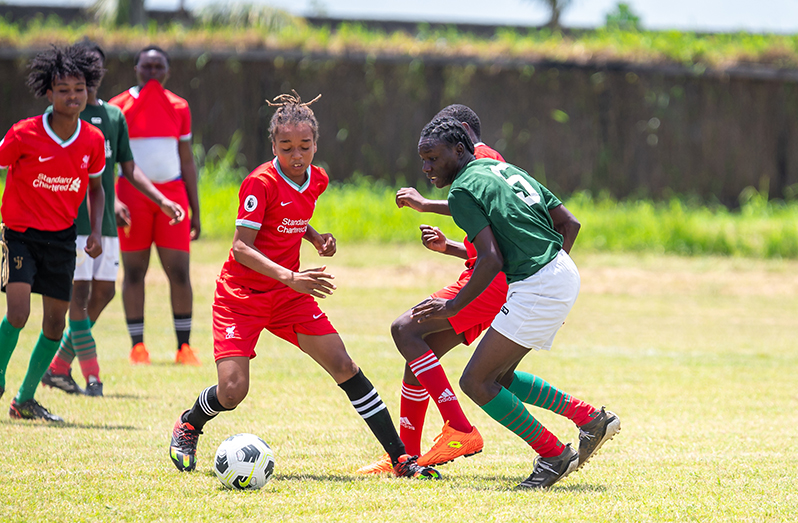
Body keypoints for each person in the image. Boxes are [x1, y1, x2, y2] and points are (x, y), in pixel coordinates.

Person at [167, 91, 440, 480]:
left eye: (304, 146)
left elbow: (290, 216)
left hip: (289, 297)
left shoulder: (318, 179)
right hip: (242, 297)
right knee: (232, 391)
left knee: (344, 365)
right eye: (286, 146)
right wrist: (291, 276)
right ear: (273, 145)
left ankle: (401, 460)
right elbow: (241, 248)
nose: (297, 155)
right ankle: (190, 423)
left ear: (316, 143)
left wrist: (314, 237)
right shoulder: (258, 183)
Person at [410, 115, 620, 489]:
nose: (427, 168)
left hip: (539, 285)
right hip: (558, 273)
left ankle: (554, 454)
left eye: (434, 158)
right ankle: (589, 419)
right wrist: (553, 280)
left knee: (475, 381)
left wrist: (452, 306)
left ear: (459, 151)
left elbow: (491, 260)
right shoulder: (498, 168)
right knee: (500, 376)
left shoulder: (462, 191)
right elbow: (568, 223)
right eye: (423, 159)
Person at [358, 104, 509, 474]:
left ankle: (460, 427)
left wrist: (425, 205)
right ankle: (406, 458)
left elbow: (493, 252)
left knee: (405, 329)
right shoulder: (484, 162)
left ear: (460, 139)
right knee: (418, 360)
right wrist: (451, 247)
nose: (428, 166)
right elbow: (489, 238)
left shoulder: (481, 160)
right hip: (485, 275)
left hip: (487, 282)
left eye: (433, 155)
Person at [41, 40, 185, 398]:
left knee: (103, 292)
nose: (87, 74)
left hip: (103, 223)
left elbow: (127, 169)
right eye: (81, 66)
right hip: (71, 222)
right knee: (78, 296)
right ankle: (92, 377)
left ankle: (58, 366)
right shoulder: (64, 118)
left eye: (94, 66)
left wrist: (162, 200)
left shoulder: (113, 117)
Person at [0, 44, 106, 421]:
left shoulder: (92, 140)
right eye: (64, 89)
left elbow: (96, 187)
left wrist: (94, 231)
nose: (73, 96)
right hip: (20, 235)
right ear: (49, 92)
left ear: (88, 91)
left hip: (62, 238)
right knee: (17, 312)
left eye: (79, 88)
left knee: (55, 322)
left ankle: (24, 399)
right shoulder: (23, 133)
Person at [108, 45, 201, 366]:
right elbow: (108, 163)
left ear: (167, 71)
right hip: (132, 195)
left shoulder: (180, 106)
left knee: (179, 271)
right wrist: (115, 200)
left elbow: (187, 161)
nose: (151, 72)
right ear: (135, 68)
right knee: (134, 271)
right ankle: (138, 347)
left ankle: (184, 347)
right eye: (145, 67)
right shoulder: (117, 108)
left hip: (173, 194)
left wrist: (195, 208)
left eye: (158, 67)